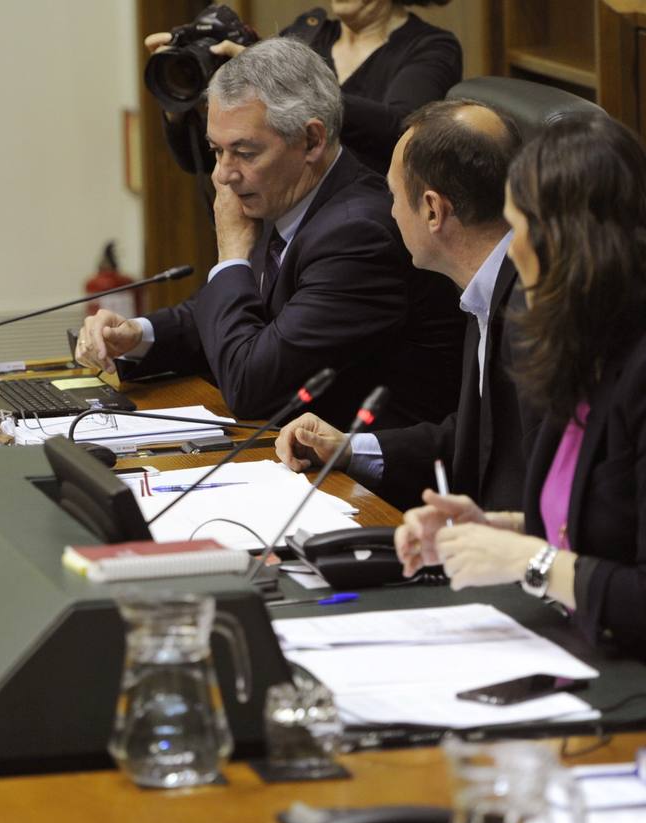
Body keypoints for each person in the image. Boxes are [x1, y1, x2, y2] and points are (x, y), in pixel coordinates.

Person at [76, 37, 464, 430]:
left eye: (244, 153)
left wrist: (231, 256)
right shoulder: (290, 193)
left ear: (311, 140)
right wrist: (138, 334)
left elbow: (250, 386)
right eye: (216, 151)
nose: (223, 175)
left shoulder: (358, 235)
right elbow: (238, 312)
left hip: (372, 481)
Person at [396, 113, 646, 657]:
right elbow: (595, 530)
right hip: (572, 650)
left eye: (521, 229)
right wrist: (494, 529)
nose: (514, 249)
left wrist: (525, 562)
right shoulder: (585, 351)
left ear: (567, 244)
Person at [275, 99, 529, 510]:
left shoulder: (534, 313)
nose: (390, 211)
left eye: (393, 195)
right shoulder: (488, 288)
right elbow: (480, 438)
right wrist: (350, 449)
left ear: (433, 210)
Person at [151, 0, 461, 175]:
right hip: (287, 231)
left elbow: (401, 128)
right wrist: (179, 100)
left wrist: (279, 80)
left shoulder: (431, 46)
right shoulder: (306, 35)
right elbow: (203, 163)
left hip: (372, 230)